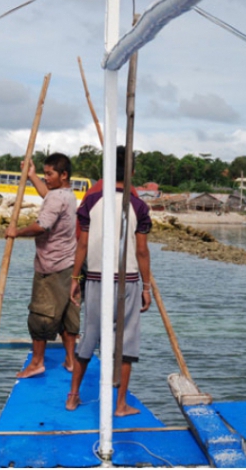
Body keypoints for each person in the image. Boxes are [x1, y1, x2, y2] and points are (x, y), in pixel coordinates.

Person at [65, 146, 152, 416]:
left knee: (89, 337)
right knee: (126, 341)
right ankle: (121, 404)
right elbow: (141, 251)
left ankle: (73, 396)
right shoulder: (138, 205)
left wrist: (74, 278)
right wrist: (147, 287)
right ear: (132, 173)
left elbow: (82, 244)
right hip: (127, 281)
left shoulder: (91, 201)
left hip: (94, 279)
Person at [5, 153, 79, 378]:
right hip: (69, 265)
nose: (46, 178)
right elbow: (46, 194)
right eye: (44, 173)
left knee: (41, 316)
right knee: (68, 315)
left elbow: (42, 226)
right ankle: (70, 360)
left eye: (50, 174)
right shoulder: (66, 195)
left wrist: (16, 232)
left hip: (52, 268)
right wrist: (32, 176)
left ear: (63, 175)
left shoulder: (57, 198)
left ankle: (37, 362)